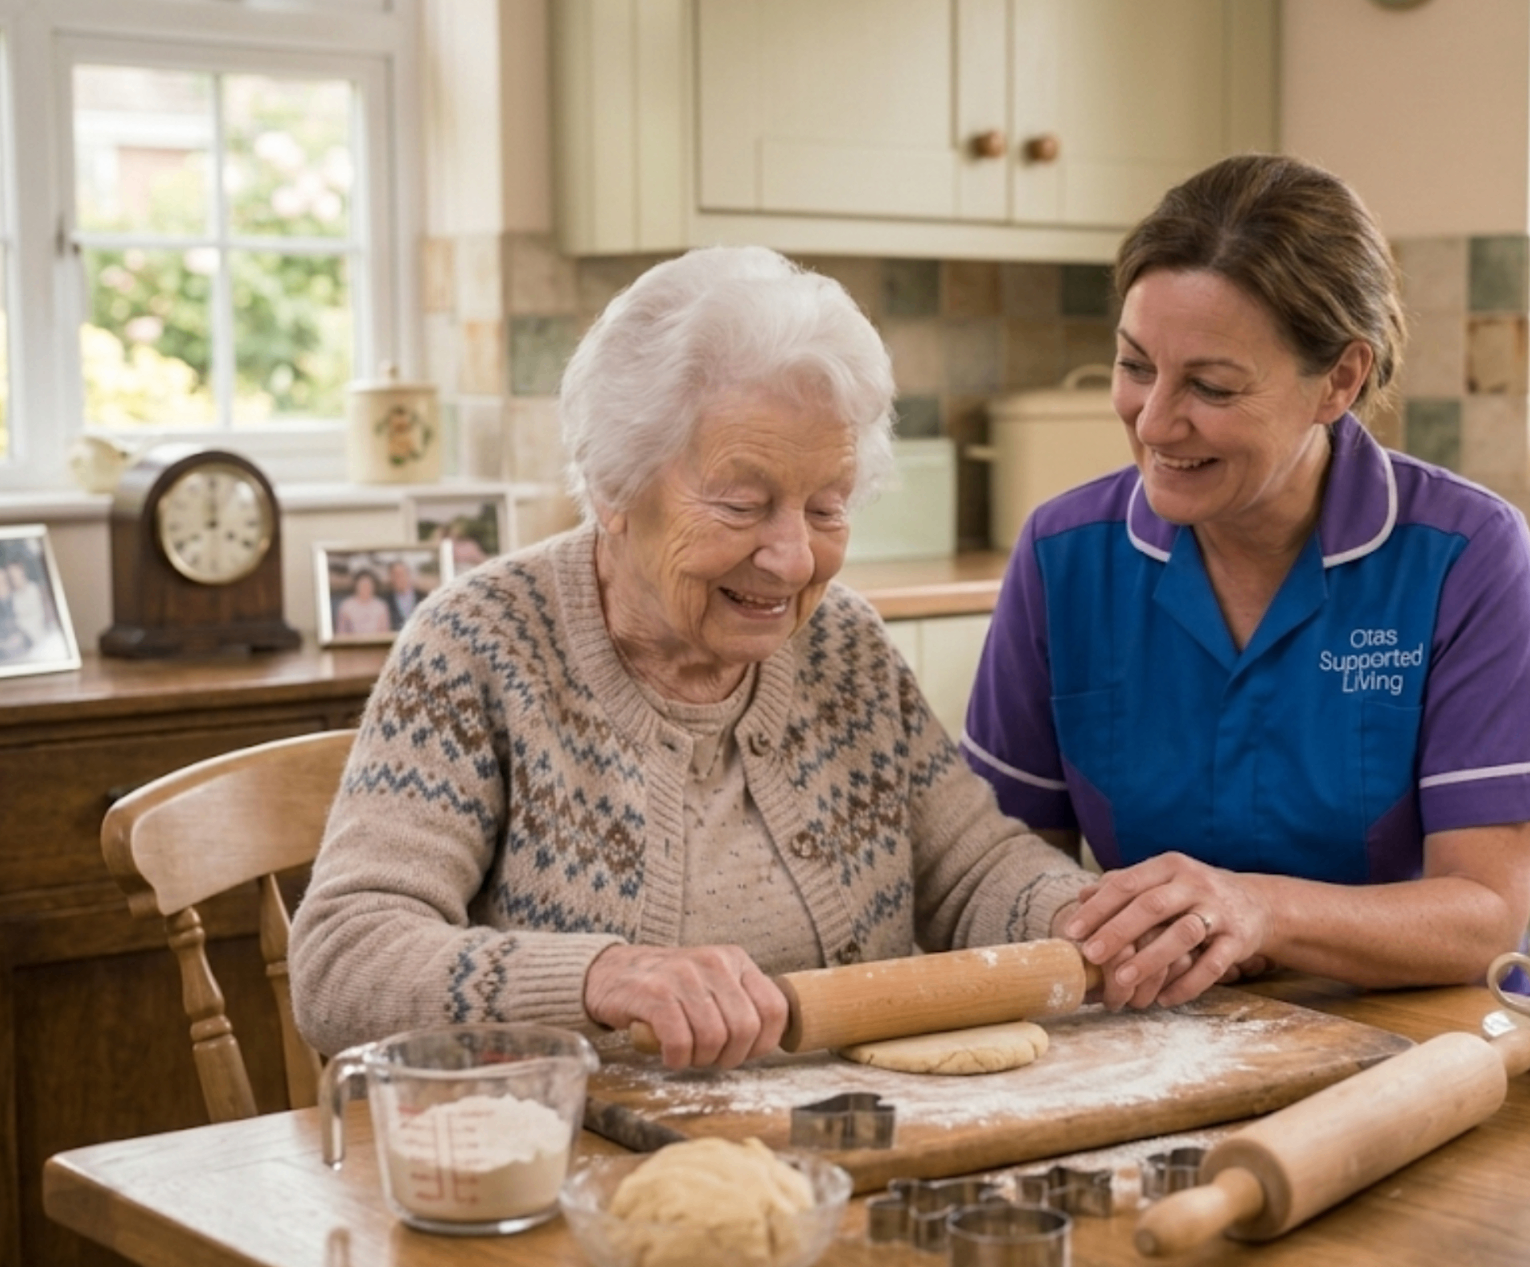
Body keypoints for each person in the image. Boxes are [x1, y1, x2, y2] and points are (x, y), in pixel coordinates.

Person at [290, 246, 1099, 1069]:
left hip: (852, 1145)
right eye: (743, 505)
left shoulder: (842, 644)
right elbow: (345, 960)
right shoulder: (480, 646)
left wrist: (1086, 916)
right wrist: (601, 975)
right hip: (587, 1162)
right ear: (613, 485)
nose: (791, 559)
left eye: (826, 507)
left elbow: (974, 871)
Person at [961, 154, 1530, 1011]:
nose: (1154, 420)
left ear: (1340, 379)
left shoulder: (1465, 554)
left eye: (1210, 385)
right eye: (1136, 365)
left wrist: (1259, 909)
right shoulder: (1062, 553)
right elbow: (996, 860)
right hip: (1148, 1026)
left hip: (1401, 1039)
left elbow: (1483, 916)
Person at [333, 569, 394, 637]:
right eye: (362, 585)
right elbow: (340, 633)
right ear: (356, 585)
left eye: (368, 585)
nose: (365, 588)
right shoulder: (346, 606)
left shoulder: (381, 606)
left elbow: (385, 633)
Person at [384, 559, 421, 628]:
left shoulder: (423, 597)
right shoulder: (385, 601)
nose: (400, 578)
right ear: (391, 578)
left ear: (409, 575)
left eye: (402, 573)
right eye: (395, 574)